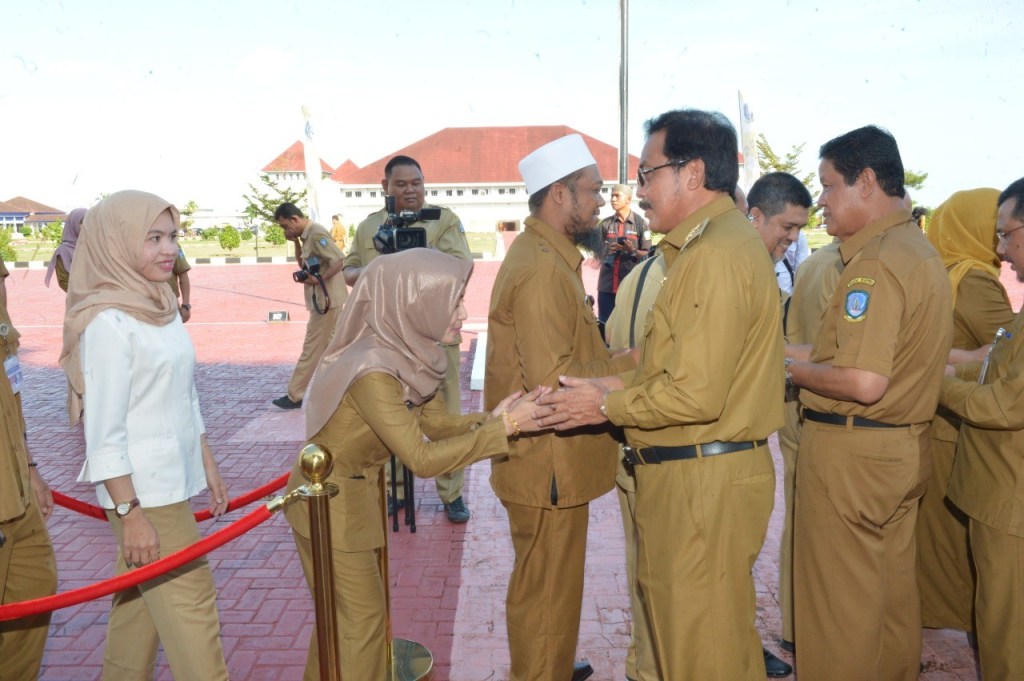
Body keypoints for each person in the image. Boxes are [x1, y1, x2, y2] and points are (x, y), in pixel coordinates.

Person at [534, 110, 784, 681]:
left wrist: (600, 405)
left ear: (691, 173)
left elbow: (695, 395)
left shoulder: (717, 256)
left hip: (703, 480)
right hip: (692, 476)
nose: (639, 191)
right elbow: (671, 365)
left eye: (647, 174)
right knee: (690, 647)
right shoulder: (699, 250)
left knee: (702, 657)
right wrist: (609, 384)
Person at [283, 248, 547, 680]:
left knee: (344, 620)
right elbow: (421, 459)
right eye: (453, 301)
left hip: (354, 493)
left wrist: (494, 419)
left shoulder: (409, 351)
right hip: (327, 501)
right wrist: (506, 429)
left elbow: (439, 424)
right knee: (361, 624)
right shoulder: (374, 369)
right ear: (413, 303)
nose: (463, 312)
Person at [783, 126, 952, 680]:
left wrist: (787, 369)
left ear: (868, 182)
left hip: (854, 455)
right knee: (889, 605)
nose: (822, 204)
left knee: (837, 616)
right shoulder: (917, 249)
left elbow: (862, 380)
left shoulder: (873, 264)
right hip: (900, 451)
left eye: (830, 187)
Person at [60, 189, 231, 679]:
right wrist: (129, 514)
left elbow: (185, 393)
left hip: (171, 476)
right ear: (116, 242)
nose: (167, 250)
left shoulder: (159, 305)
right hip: (143, 490)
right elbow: (103, 433)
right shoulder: (109, 323)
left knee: (139, 609)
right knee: (194, 607)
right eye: (152, 237)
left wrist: (207, 460)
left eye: (172, 236)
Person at [485, 133, 635, 681]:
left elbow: (570, 354)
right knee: (546, 600)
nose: (600, 202)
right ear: (559, 195)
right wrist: (633, 371)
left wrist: (619, 356)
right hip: (547, 462)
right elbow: (555, 384)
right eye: (592, 191)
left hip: (542, 462)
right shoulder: (545, 270)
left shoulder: (547, 257)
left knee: (543, 593)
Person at [344, 155, 474, 523]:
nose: (410, 190)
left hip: (434, 339)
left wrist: (417, 258)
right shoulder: (370, 226)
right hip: (385, 343)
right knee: (391, 417)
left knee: (445, 417)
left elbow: (461, 267)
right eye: (401, 185)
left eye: (416, 183)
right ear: (385, 188)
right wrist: (378, 268)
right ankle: (395, 493)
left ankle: (452, 494)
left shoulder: (443, 220)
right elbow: (349, 269)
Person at [938, 177, 1024, 678]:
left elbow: (1003, 406)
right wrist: (949, 370)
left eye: (1007, 234)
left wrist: (935, 385)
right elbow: (997, 365)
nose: (1000, 250)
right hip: (1000, 494)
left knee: (1007, 637)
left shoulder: (970, 280)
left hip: (1010, 499)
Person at [917, 188, 1012, 637]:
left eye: (1007, 233)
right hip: (965, 426)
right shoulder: (973, 277)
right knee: (956, 547)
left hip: (944, 417)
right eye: (994, 231)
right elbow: (1004, 348)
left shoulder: (941, 267)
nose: (1000, 248)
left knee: (939, 539)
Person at [0, 258, 58, 680]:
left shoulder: (3, 330)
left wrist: (32, 467)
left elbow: (12, 400)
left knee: (35, 591)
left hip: (16, 492)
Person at [271, 202, 348, 410]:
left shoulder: (316, 233)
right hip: (326, 300)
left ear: (295, 219)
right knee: (334, 350)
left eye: (286, 226)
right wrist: (295, 241)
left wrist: (320, 279)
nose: (286, 231)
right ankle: (343, 391)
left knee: (311, 349)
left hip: (327, 301)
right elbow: (302, 264)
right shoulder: (305, 236)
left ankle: (295, 395)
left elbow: (339, 260)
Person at [595, 184, 649, 332]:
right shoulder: (605, 224)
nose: (613, 199)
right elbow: (595, 252)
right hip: (606, 286)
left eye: (617, 196)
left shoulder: (641, 224)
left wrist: (632, 251)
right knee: (605, 327)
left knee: (628, 329)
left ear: (628, 199)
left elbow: (648, 255)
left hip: (630, 285)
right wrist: (606, 249)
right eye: (612, 195)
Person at [45, 206, 86, 292]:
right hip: (80, 299)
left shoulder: (93, 246)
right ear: (73, 224)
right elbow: (64, 281)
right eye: (83, 222)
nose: (87, 226)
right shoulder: (63, 252)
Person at [168, 245, 193, 323]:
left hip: (170, 305)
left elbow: (183, 276)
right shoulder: (134, 244)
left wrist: (186, 305)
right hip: (142, 305)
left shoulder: (172, 245)